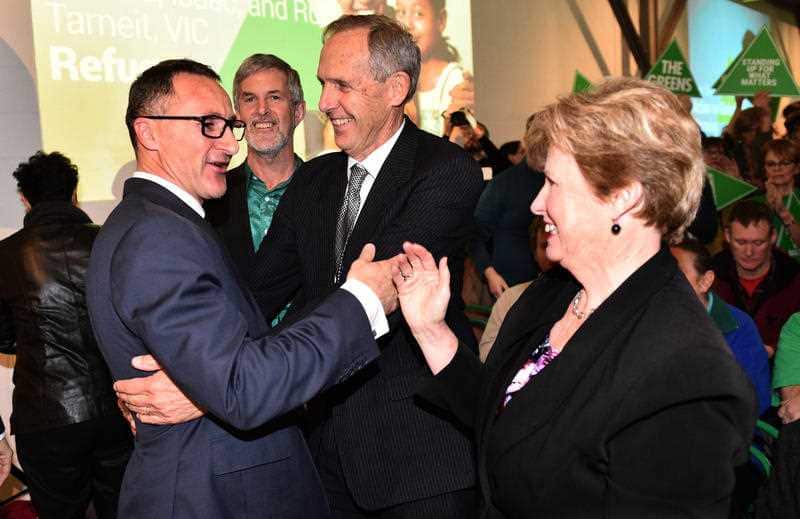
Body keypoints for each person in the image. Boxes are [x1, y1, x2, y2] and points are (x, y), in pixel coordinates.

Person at [116, 15, 483, 518]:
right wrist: (209, 374)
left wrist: (209, 394)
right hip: (324, 451)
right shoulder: (317, 179)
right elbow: (257, 298)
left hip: (415, 457)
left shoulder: (444, 170)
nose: (326, 102)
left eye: (341, 85)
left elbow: (382, 296)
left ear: (395, 87)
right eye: (322, 84)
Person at [392, 77, 756, 516]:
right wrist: (431, 331)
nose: (536, 204)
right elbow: (504, 418)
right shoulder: (555, 293)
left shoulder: (687, 375)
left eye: (554, 184)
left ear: (623, 196)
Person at [86, 58, 398, 519]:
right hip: (211, 497)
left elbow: (232, 361)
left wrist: (201, 388)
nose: (230, 142)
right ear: (148, 133)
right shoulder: (158, 236)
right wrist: (363, 301)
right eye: (209, 125)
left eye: (229, 125)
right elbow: (242, 387)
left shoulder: (157, 224)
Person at [0, 151, 132, 519]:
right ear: (74, 194)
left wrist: (30, 341)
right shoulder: (109, 241)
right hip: (116, 409)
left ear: (25, 199)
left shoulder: (5, 256)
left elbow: (1, 336)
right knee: (123, 508)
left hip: (45, 419)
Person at [204, 54, 305, 280]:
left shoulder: (331, 192)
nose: (261, 110)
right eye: (249, 99)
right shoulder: (210, 200)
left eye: (274, 97)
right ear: (237, 115)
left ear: (298, 112)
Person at [670, 239, 771, 415]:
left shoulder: (737, 327)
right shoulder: (647, 319)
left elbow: (756, 400)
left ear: (705, 281)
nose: (666, 282)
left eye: (677, 274)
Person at [712, 200, 800, 357]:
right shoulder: (711, 276)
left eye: (758, 243)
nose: (748, 252)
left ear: (772, 237)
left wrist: (775, 349)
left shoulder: (793, 279)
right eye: (741, 242)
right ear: (727, 236)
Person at [471, 115, 545, 299]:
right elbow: (475, 234)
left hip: (552, 284)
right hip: (510, 283)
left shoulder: (564, 181)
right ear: (527, 141)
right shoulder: (504, 183)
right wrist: (490, 273)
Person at [478, 215, 554, 362]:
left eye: (556, 243)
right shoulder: (511, 298)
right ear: (535, 254)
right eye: (544, 246)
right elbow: (486, 356)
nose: (550, 253)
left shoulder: (583, 301)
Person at [395, 0, 472, 137]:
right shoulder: (393, 79)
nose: (407, 25)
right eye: (401, 12)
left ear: (441, 20)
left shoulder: (454, 80)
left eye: (418, 14)